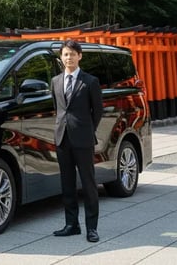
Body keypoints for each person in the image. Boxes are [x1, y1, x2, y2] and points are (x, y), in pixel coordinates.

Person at [51, 39, 103, 243]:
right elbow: (58, 109)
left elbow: (97, 111)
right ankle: (71, 225)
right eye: (65, 54)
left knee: (89, 184)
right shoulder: (55, 81)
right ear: (61, 57)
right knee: (67, 183)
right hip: (62, 138)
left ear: (80, 56)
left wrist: (87, 130)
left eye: (72, 53)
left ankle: (92, 228)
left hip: (83, 139)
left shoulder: (90, 81)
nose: (68, 57)